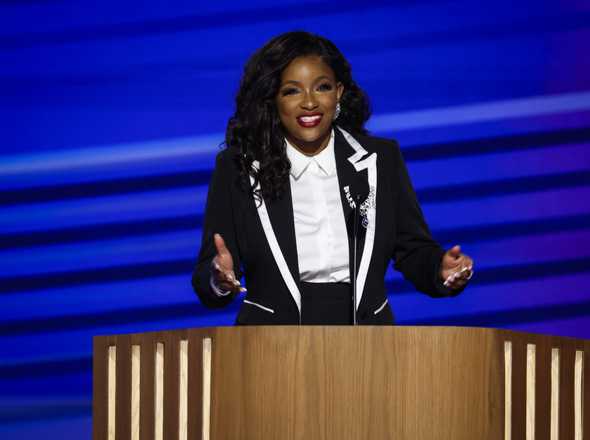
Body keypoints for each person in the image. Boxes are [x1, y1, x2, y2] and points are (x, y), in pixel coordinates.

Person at [191, 31, 474, 325]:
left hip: (367, 341)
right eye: (292, 91)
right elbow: (208, 276)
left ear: (338, 92)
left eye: (322, 87)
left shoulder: (380, 160)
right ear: (273, 99)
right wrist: (219, 279)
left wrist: (440, 269)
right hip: (271, 345)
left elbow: (413, 249)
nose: (309, 103)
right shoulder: (238, 167)